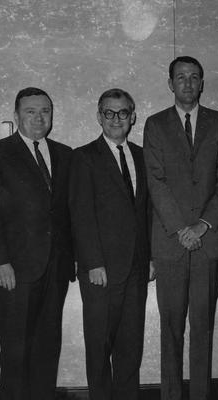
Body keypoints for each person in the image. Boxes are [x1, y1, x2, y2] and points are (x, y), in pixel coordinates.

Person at [143, 56, 218, 400]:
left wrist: (201, 225)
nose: (187, 83)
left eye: (194, 77)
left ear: (202, 84)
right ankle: (170, 395)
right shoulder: (155, 125)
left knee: (203, 327)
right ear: (170, 84)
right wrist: (181, 228)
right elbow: (155, 181)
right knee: (170, 329)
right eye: (180, 77)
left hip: (208, 241)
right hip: (169, 242)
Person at [0, 87, 74, 400]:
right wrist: (0, 260)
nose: (39, 117)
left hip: (56, 269)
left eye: (45, 110)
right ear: (16, 116)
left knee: (47, 348)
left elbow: (69, 212)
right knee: (15, 351)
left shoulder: (64, 154)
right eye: (30, 111)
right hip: (15, 270)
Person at [69, 88, 153, 400]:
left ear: (133, 117)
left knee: (131, 346)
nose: (116, 119)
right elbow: (80, 214)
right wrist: (92, 262)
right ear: (99, 117)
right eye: (109, 113)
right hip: (101, 270)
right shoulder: (84, 157)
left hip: (137, 267)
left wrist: (151, 258)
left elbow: (147, 212)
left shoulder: (143, 156)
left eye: (122, 113)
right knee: (99, 346)